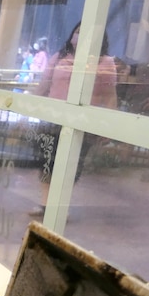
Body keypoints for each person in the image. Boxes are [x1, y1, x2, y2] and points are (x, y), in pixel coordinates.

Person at [30, 22, 117, 214]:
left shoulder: (104, 63)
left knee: (71, 166)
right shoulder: (60, 57)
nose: (79, 36)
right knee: (46, 162)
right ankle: (45, 204)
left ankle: (59, 207)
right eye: (77, 31)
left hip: (81, 124)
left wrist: (109, 127)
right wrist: (28, 108)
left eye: (85, 34)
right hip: (52, 120)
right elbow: (43, 86)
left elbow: (110, 95)